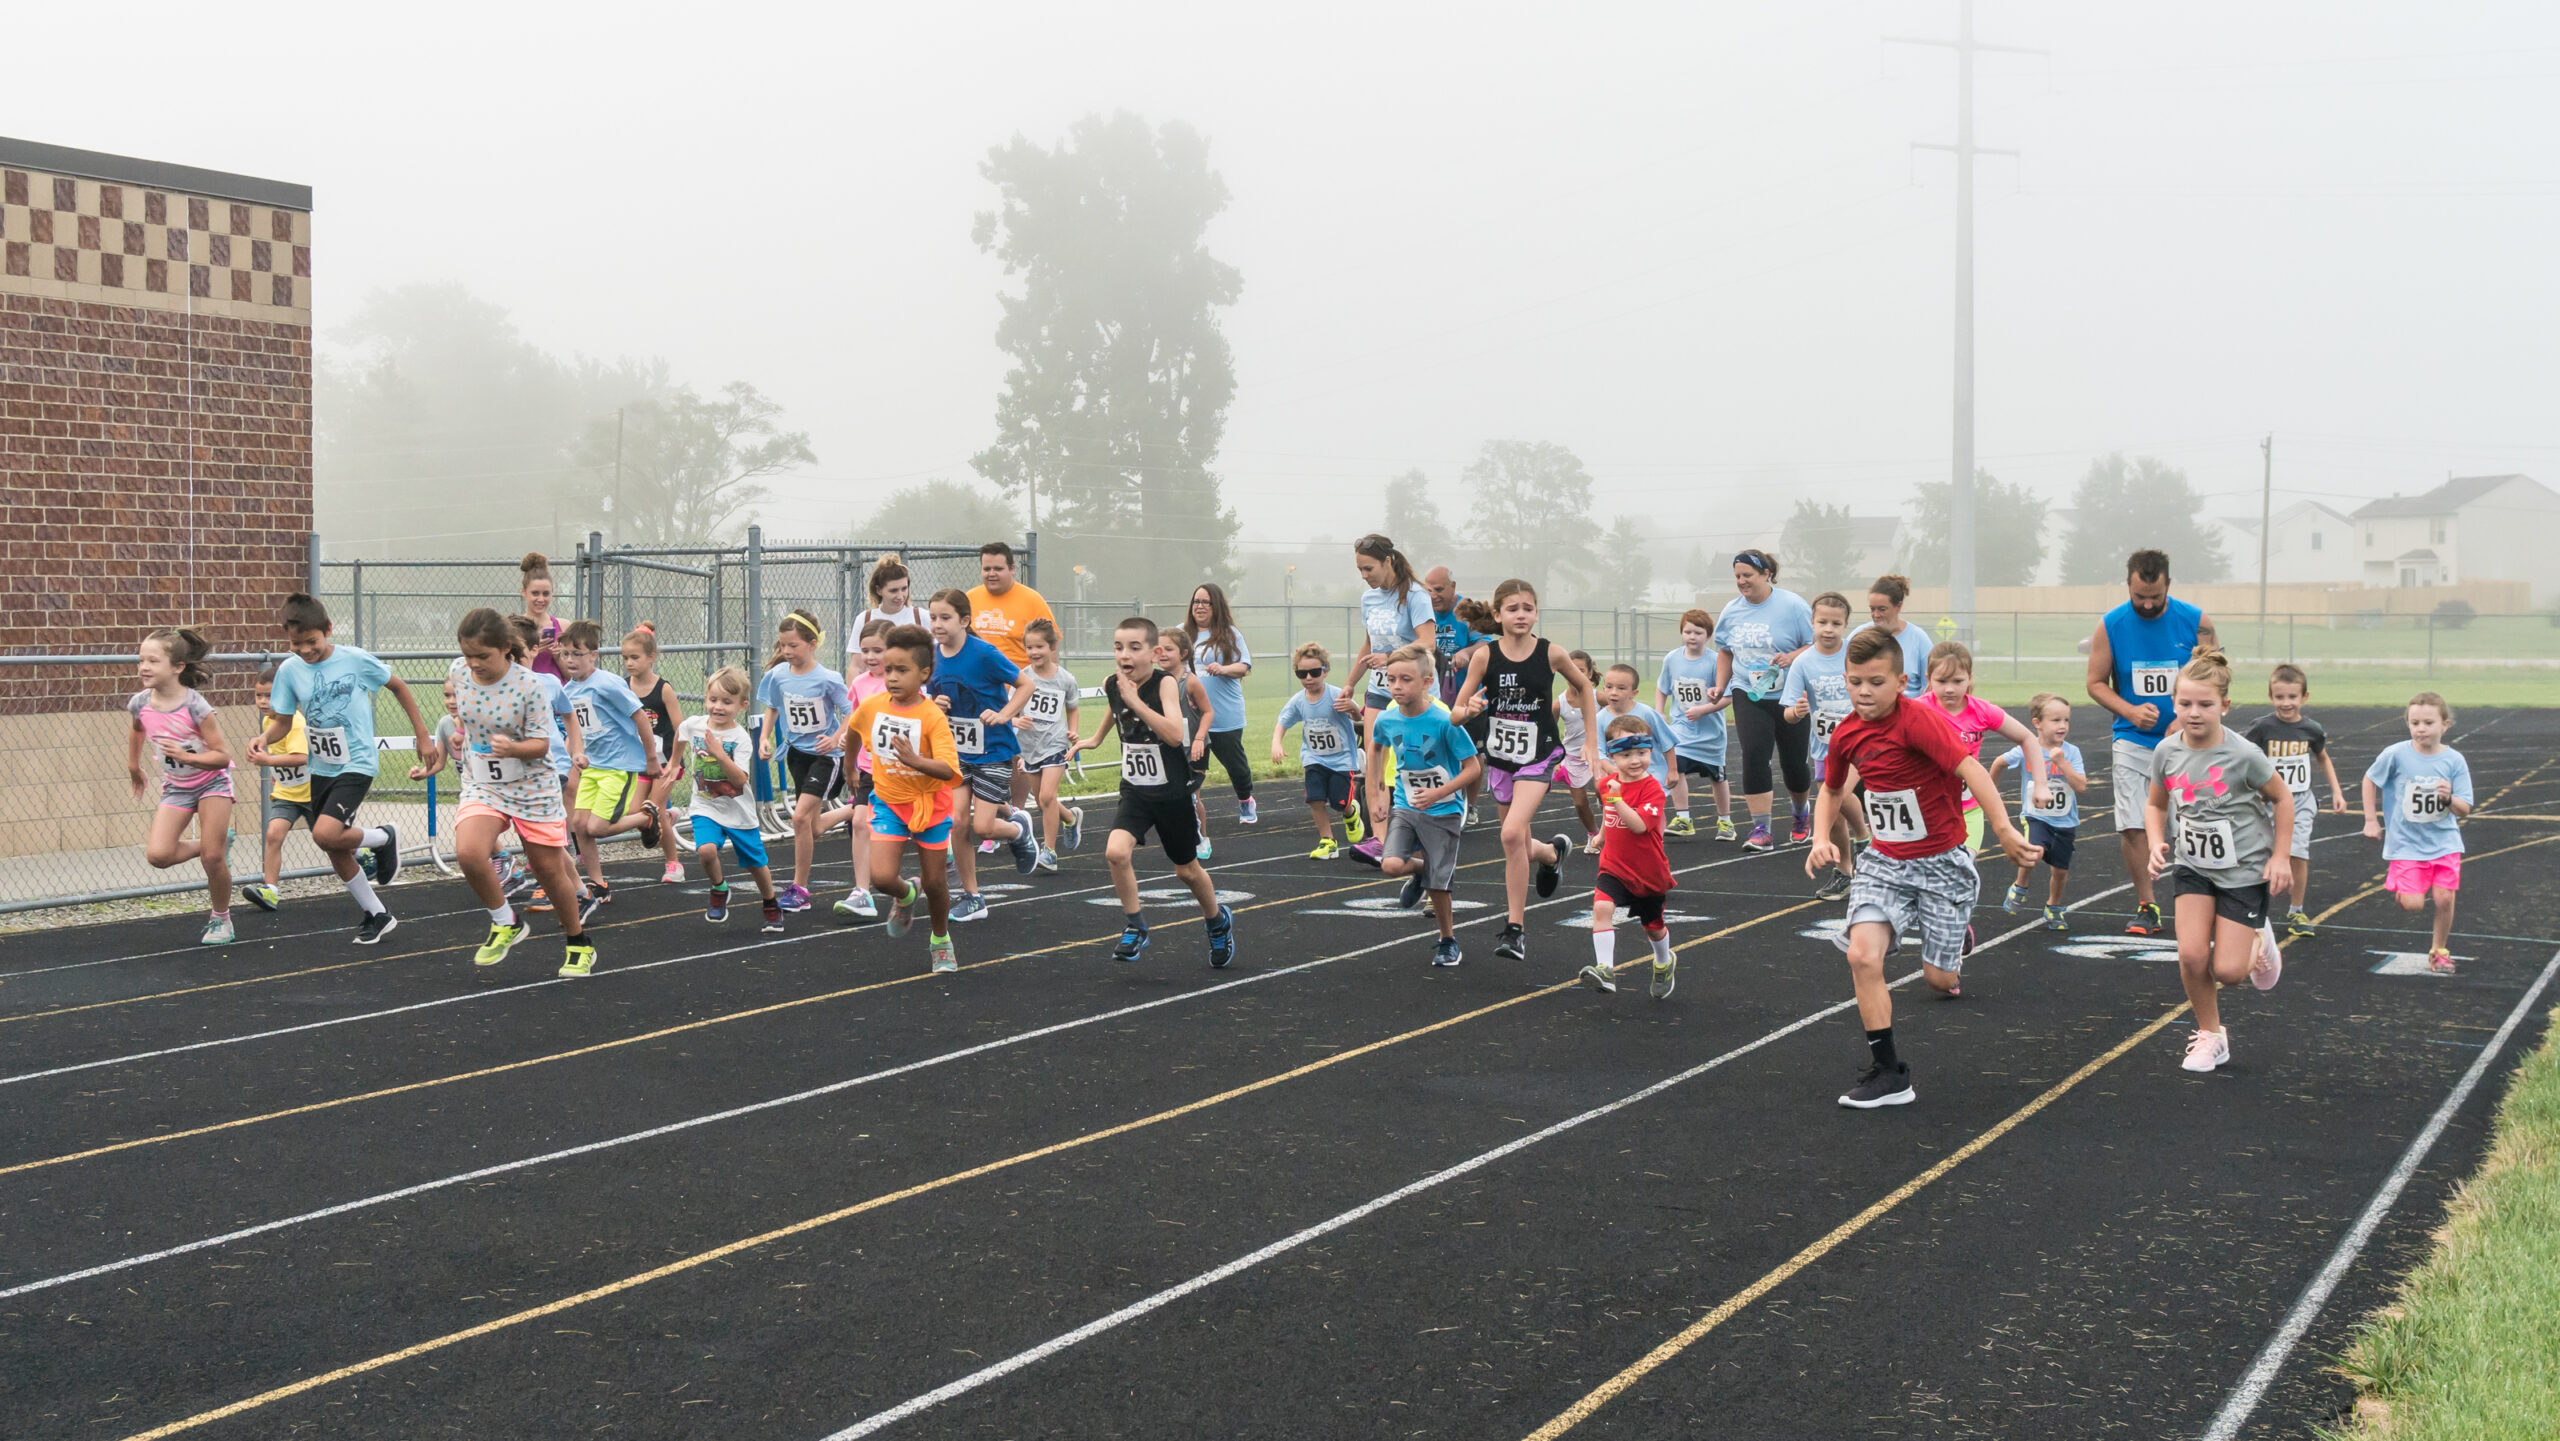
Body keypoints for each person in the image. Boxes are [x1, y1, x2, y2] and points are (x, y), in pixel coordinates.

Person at [1806, 627, 2041, 1109]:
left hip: (1942, 863)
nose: (1864, 692)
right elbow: (1831, 790)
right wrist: (1819, 838)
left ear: (1901, 682)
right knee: (1862, 956)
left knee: (1938, 978)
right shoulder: (1847, 732)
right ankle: (1889, 1073)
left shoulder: (1921, 723)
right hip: (1885, 861)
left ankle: (1953, 941)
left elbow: (1972, 770)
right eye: (1855, 682)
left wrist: (2003, 829)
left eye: (1876, 682)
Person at [2145, 648, 2292, 1073]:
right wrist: (2155, 842)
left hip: (2243, 872)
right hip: (2193, 866)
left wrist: (2281, 856)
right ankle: (2211, 1035)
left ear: (2224, 706)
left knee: (2229, 972)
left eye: (2205, 704)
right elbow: (2155, 804)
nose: (2195, 713)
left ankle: (2259, 938)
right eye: (2186, 703)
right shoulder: (2166, 752)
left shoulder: (2244, 755)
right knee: (2192, 956)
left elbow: (2283, 799)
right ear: (2174, 703)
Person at [261, 592, 437, 944]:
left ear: (328, 630)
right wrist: (262, 740)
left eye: (312, 642)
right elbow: (283, 721)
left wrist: (422, 734)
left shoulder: (354, 660)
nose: (305, 650)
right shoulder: (290, 671)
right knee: (335, 847)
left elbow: (398, 686)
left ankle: (383, 838)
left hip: (356, 762)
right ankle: (377, 913)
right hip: (322, 766)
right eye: (297, 644)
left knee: (324, 834)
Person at [436, 608, 599, 976]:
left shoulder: (530, 685)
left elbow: (541, 745)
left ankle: (578, 941)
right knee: (469, 852)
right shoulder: (459, 673)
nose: (473, 664)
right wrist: (460, 734)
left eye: (483, 656)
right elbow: (468, 712)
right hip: (484, 782)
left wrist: (511, 748)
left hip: (532, 785)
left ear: (505, 649)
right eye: (468, 655)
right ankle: (504, 921)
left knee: (547, 870)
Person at [1076, 616, 1235, 967]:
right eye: (1118, 647)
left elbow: (1175, 735)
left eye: (1135, 647)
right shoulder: (1113, 684)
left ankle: (1216, 921)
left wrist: (1136, 702)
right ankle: (1136, 925)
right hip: (1135, 790)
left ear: (1154, 652)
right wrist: (1096, 739)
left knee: (1186, 871)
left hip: (1171, 793)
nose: (1125, 654)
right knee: (1115, 852)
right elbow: (1115, 708)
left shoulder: (1165, 684)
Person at [1451, 578, 1591, 964]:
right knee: (1517, 844)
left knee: (1511, 833)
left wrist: (1592, 744)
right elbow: (1455, 713)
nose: (1521, 615)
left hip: (1538, 755)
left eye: (1528, 608)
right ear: (1498, 615)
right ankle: (1550, 854)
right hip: (1501, 758)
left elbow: (1585, 687)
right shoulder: (1485, 656)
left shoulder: (1551, 653)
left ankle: (1515, 930)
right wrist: (1468, 711)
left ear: (1536, 613)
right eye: (1513, 609)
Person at [2086, 548, 2217, 937]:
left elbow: (2215, 677)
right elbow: (2095, 683)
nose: (2146, 604)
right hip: (2132, 740)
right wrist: (2128, 710)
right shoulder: (2110, 625)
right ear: (2127, 584)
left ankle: (2200, 901)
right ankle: (2148, 906)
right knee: (2132, 824)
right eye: (2139, 596)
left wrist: (2184, 717)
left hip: (2189, 743)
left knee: (2190, 824)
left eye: (2155, 597)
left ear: (2168, 585)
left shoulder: (2196, 622)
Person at [839, 625, 963, 972]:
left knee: (935, 883)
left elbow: (949, 770)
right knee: (881, 878)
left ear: (924, 673)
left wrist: (915, 760)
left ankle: (940, 939)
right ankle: (907, 894)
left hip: (929, 806)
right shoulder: (874, 706)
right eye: (888, 669)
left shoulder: (932, 717)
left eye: (902, 670)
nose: (892, 677)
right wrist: (850, 767)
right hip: (889, 802)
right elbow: (854, 729)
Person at [926, 588, 1041, 915]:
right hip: (957, 752)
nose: (937, 624)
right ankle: (972, 896)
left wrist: (1005, 715)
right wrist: (936, 705)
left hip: (992, 749)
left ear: (964, 621)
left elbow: (1026, 685)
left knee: (984, 827)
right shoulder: (932, 657)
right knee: (958, 822)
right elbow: (933, 698)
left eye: (945, 618)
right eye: (933, 618)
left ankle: (1018, 830)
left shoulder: (984, 654)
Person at [1368, 644, 1481, 970]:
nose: (1396, 687)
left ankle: (1448, 940)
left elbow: (1473, 768)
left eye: (1405, 679)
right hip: (1406, 805)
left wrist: (1438, 793)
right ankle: (1419, 870)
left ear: (1427, 682)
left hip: (1444, 809)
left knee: (1438, 884)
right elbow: (1375, 748)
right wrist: (1377, 793)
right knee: (1390, 865)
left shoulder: (1445, 721)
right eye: (1391, 680)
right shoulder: (1387, 718)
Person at [126, 628, 238, 944]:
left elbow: (222, 756)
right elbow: (137, 729)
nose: (144, 667)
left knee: (212, 859)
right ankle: (216, 842)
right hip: (177, 787)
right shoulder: (140, 703)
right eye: (141, 660)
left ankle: (221, 920)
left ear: (178, 667)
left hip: (212, 782)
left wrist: (186, 756)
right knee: (158, 855)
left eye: (153, 661)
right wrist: (134, 766)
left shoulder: (195, 706)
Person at [1709, 549, 1817, 851]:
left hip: (1790, 694)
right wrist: (1720, 685)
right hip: (1748, 691)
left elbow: (1814, 643)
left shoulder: (1792, 605)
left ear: (1766, 574)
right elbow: (1726, 650)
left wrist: (1792, 657)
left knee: (1793, 763)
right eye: (1737, 576)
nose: (1742, 581)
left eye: (1748, 575)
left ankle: (1800, 813)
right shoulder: (1732, 610)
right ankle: (1761, 829)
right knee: (1754, 755)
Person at [557, 619, 666, 916]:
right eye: (565, 654)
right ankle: (598, 884)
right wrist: (575, 754)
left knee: (597, 827)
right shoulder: (568, 690)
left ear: (593, 655)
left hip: (619, 766)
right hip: (592, 766)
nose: (570, 660)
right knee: (579, 826)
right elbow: (575, 729)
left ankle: (645, 818)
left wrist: (651, 758)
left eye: (577, 654)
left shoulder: (607, 683)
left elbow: (640, 717)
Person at [2362, 692, 2472, 975]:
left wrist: (2449, 799)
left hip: (2445, 841)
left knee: (2444, 898)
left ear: (2445, 725)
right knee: (2413, 905)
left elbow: (2464, 809)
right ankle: (2402, 891)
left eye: (2428, 723)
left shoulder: (2454, 761)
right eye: (2415, 723)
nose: (2421, 729)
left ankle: (2439, 951)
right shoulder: (2396, 754)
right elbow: (2369, 779)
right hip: (2406, 843)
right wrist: (2371, 820)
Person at [1338, 534, 1437, 831]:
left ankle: (1427, 822)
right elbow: (1369, 645)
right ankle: (1379, 837)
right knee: (1375, 758)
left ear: (1387, 561)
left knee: (1417, 760)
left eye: (1369, 568)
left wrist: (1391, 657)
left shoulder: (1416, 596)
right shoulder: (1368, 599)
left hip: (1415, 692)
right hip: (1380, 689)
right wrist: (1350, 683)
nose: (1364, 576)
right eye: (1359, 570)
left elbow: (1428, 642)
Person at [756, 609, 852, 913]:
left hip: (825, 756)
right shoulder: (778, 675)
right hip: (796, 755)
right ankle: (857, 809)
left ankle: (800, 889)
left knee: (798, 819)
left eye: (793, 645)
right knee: (813, 826)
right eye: (782, 645)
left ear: (812, 644)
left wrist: (835, 738)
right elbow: (772, 707)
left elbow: (852, 712)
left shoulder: (828, 679)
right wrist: (764, 738)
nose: (786, 651)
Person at [1577, 716, 1679, 999]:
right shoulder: (1607, 785)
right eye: (1626, 755)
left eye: (1642, 753)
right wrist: (1601, 837)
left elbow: (1639, 825)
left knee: (1654, 927)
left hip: (1647, 872)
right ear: (1612, 756)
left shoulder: (1652, 790)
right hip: (1614, 866)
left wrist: (1618, 799)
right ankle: (1605, 970)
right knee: (1601, 908)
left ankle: (1663, 962)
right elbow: (1610, 815)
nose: (1635, 760)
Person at [2247, 664, 2349, 939]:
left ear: (2304, 697)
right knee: (2259, 854)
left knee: (2298, 853)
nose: (2286, 703)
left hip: (2301, 800)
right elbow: (2246, 760)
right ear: (2270, 696)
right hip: (2267, 801)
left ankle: (2297, 910)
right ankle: (2253, 908)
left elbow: (2323, 757)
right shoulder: (2261, 728)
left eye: (2292, 697)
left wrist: (2337, 791)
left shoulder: (2311, 729)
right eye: (2280, 697)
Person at [1923, 642, 2049, 861]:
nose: (1950, 689)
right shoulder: (1918, 710)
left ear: (1970, 678)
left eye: (1958, 681)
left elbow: (2027, 738)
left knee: (1962, 867)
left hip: (1968, 811)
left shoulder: (1981, 711)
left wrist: (2041, 784)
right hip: (1927, 812)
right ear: (1929, 678)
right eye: (1941, 681)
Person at [680, 666, 783, 931]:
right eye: (713, 700)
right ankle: (719, 888)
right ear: (706, 698)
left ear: (741, 705)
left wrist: (719, 753)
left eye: (727, 702)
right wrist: (672, 765)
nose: (718, 707)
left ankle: (770, 902)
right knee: (706, 850)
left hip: (738, 812)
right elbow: (681, 733)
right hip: (705, 805)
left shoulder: (741, 739)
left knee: (756, 864)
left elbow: (739, 780)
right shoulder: (695, 725)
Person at [966, 541, 1055, 814]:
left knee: (1017, 753)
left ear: (1012, 569)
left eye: (998, 568)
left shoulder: (1032, 600)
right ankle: (992, 808)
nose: (991, 574)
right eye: (986, 568)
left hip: (1019, 690)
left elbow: (1050, 647)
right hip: (977, 692)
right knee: (977, 751)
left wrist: (1047, 685)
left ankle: (1017, 811)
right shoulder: (970, 599)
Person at [1783, 591, 1859, 900]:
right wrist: (1797, 711)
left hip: (1862, 745)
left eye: (1836, 624)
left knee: (1841, 797)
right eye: (1823, 622)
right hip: (1825, 749)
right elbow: (1788, 713)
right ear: (1812, 623)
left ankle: (1866, 841)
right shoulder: (1803, 663)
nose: (1829, 629)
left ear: (1845, 625)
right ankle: (1845, 871)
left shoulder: (1856, 655)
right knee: (1836, 813)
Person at [506, 613, 584, 910]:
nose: (514, 661)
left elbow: (570, 715)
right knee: (531, 837)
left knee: (544, 837)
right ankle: (575, 891)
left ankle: (560, 888)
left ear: (534, 650)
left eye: (519, 654)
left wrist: (576, 750)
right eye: (508, 655)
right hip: (520, 771)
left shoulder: (549, 682)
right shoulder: (500, 687)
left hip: (553, 767)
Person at [1991, 695, 2087, 929]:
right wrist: (1990, 790)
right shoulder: (2026, 750)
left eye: (2066, 720)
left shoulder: (2071, 752)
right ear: (2037, 723)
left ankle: (2053, 907)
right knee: (2033, 851)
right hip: (2036, 816)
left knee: (2060, 871)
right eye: (2055, 720)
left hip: (2065, 821)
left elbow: (2081, 786)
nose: (2062, 726)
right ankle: (2020, 886)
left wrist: (2062, 763)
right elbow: (1999, 763)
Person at [826, 620, 893, 920]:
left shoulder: (903, 682)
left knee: (913, 826)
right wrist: (846, 740)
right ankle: (862, 892)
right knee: (859, 822)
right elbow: (855, 720)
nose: (870, 657)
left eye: (878, 650)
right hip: (869, 768)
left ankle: (943, 852)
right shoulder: (860, 684)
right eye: (865, 651)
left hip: (901, 770)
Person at [1273, 642, 1364, 857]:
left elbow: (1359, 721)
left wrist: (1353, 709)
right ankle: (1327, 841)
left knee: (1339, 802)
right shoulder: (1298, 701)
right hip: (1314, 758)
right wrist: (1277, 742)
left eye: (1314, 672)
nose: (1308, 678)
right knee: (1314, 798)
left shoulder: (1336, 695)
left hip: (1342, 760)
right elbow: (1282, 722)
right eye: (1302, 674)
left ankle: (1351, 812)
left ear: (1325, 671)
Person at [1181, 582, 1259, 824]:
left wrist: (1223, 669)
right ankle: (1193, 814)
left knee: (1236, 766)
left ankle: (1245, 799)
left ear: (1216, 606)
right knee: (1193, 769)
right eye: (1196, 602)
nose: (1200, 606)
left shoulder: (1229, 634)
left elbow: (1244, 666)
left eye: (1206, 602)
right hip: (1192, 718)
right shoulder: (1181, 633)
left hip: (1224, 715)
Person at [1656, 609, 1736, 841]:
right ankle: (1683, 818)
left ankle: (1725, 821)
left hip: (1711, 735)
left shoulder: (1716, 662)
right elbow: (1662, 688)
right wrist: (1659, 712)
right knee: (1675, 767)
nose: (1692, 636)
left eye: (1698, 632)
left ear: (1708, 636)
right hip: (1681, 730)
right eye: (1687, 632)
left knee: (1717, 777)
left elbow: (1728, 697)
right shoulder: (1672, 659)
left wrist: (1704, 710)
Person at [1013, 618, 1084, 872]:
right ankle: (1070, 817)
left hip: (1055, 744)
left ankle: (1050, 852)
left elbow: (1072, 708)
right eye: (1029, 647)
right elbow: (1012, 710)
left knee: (1046, 796)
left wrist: (1072, 731)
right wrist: (1016, 721)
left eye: (1039, 647)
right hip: (1030, 747)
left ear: (1052, 647)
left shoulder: (1065, 679)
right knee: (1045, 801)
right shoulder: (1022, 678)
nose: (1034, 652)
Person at [621, 623, 687, 885]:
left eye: (634, 657)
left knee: (654, 810)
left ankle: (674, 865)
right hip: (641, 762)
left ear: (651, 657)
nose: (629, 663)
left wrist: (674, 762)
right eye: (625, 658)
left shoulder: (663, 689)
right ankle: (667, 818)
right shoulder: (623, 687)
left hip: (666, 762)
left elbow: (681, 728)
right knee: (635, 814)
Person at [241, 660, 308, 915]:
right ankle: (270, 890)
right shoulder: (269, 723)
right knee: (273, 835)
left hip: (313, 793)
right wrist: (276, 773)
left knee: (332, 842)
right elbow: (280, 752)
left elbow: (301, 757)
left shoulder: (296, 723)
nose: (263, 702)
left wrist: (269, 762)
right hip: (287, 793)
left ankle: (365, 851)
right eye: (259, 696)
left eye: (269, 696)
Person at [1157, 627, 1219, 859]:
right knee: (1172, 798)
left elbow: (1208, 712)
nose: (1162, 654)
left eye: (1169, 649)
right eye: (1158, 649)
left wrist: (1199, 739)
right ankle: (1181, 837)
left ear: (1183, 653)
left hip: (1194, 747)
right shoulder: (1155, 681)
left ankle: (1202, 838)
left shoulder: (1190, 681)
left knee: (1193, 797)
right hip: (1170, 747)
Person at [1553, 648, 1606, 851]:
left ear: (1590, 673)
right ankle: (1593, 835)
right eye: (1571, 669)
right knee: (1580, 803)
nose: (1575, 674)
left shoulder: (1599, 698)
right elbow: (1550, 734)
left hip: (1598, 754)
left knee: (1603, 791)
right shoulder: (1559, 704)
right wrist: (1556, 760)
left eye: (1581, 670)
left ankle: (1609, 827)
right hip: (1573, 756)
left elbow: (1618, 717)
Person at [1597, 664, 1679, 788]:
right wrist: (1611, 769)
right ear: (1604, 689)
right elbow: (1598, 750)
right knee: (1612, 800)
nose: (1613, 692)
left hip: (1652, 780)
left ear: (1634, 693)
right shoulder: (1599, 718)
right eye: (1609, 687)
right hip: (1619, 783)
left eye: (1621, 688)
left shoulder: (1647, 713)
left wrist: (1673, 770)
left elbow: (1667, 741)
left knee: (1649, 802)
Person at [1855, 573, 1932, 699]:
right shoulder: (1859, 635)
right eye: (1872, 609)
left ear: (1898, 606)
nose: (1876, 615)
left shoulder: (1919, 639)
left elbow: (1929, 688)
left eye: (1882, 609)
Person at [850, 553, 927, 660]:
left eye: (904, 589)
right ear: (879, 590)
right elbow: (856, 665)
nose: (900, 596)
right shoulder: (864, 619)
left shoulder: (921, 617)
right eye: (893, 591)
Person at [1425, 566, 1467, 706]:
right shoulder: (1422, 611)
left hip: (1467, 698)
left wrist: (1466, 653)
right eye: (1429, 590)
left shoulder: (1468, 610)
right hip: (1432, 699)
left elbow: (1484, 643)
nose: (1433, 596)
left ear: (1452, 586)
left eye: (1438, 590)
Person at [519, 552, 565, 681]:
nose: (541, 599)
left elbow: (571, 676)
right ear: (524, 592)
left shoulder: (563, 626)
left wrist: (558, 656)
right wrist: (532, 651)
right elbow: (509, 670)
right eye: (535, 593)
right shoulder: (513, 627)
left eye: (546, 594)